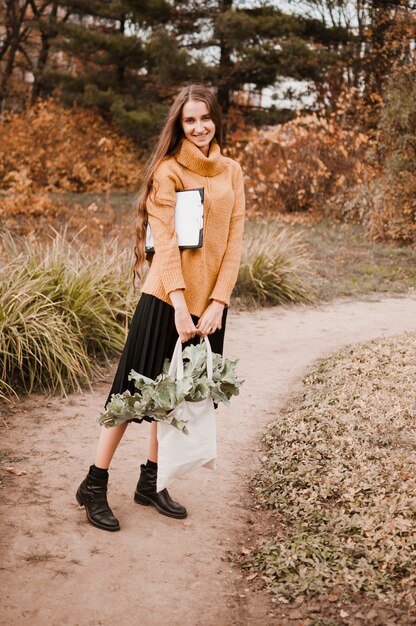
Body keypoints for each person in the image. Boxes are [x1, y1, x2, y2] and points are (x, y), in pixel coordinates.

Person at [76, 84, 246, 532]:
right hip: (164, 301)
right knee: (131, 395)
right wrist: (178, 304)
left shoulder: (232, 171)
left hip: (208, 310)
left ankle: (150, 482)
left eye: (205, 118)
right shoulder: (168, 172)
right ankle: (94, 484)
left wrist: (218, 303)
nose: (199, 127)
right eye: (189, 120)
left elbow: (233, 245)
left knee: (175, 399)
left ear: (215, 120)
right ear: (179, 124)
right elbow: (165, 246)